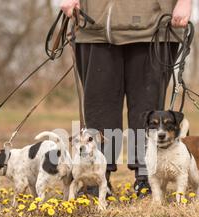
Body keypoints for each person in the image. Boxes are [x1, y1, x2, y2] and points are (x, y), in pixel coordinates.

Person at [61, 0, 192, 196]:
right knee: (99, 108)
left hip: (154, 26)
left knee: (147, 110)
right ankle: (96, 178)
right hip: (94, 26)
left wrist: (184, 1)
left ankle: (146, 178)